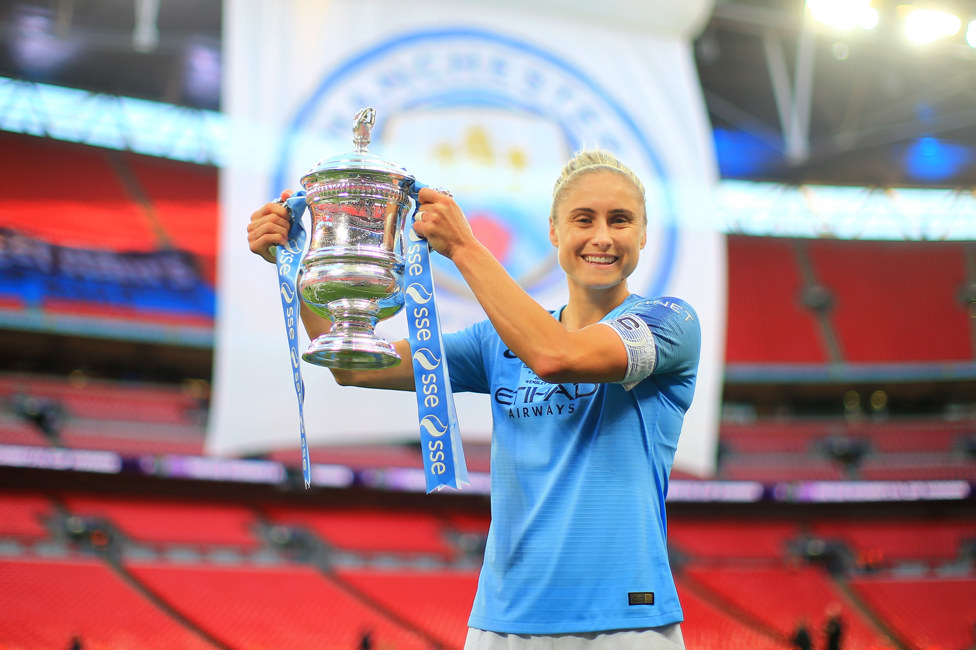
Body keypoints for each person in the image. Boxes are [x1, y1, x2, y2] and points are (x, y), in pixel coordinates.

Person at [248, 150, 701, 649]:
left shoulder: (670, 323)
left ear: (642, 234)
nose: (602, 236)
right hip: (503, 623)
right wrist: (294, 260)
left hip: (626, 622)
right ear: (554, 231)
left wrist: (464, 246)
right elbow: (352, 365)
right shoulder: (495, 342)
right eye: (583, 219)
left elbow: (557, 356)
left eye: (620, 220)